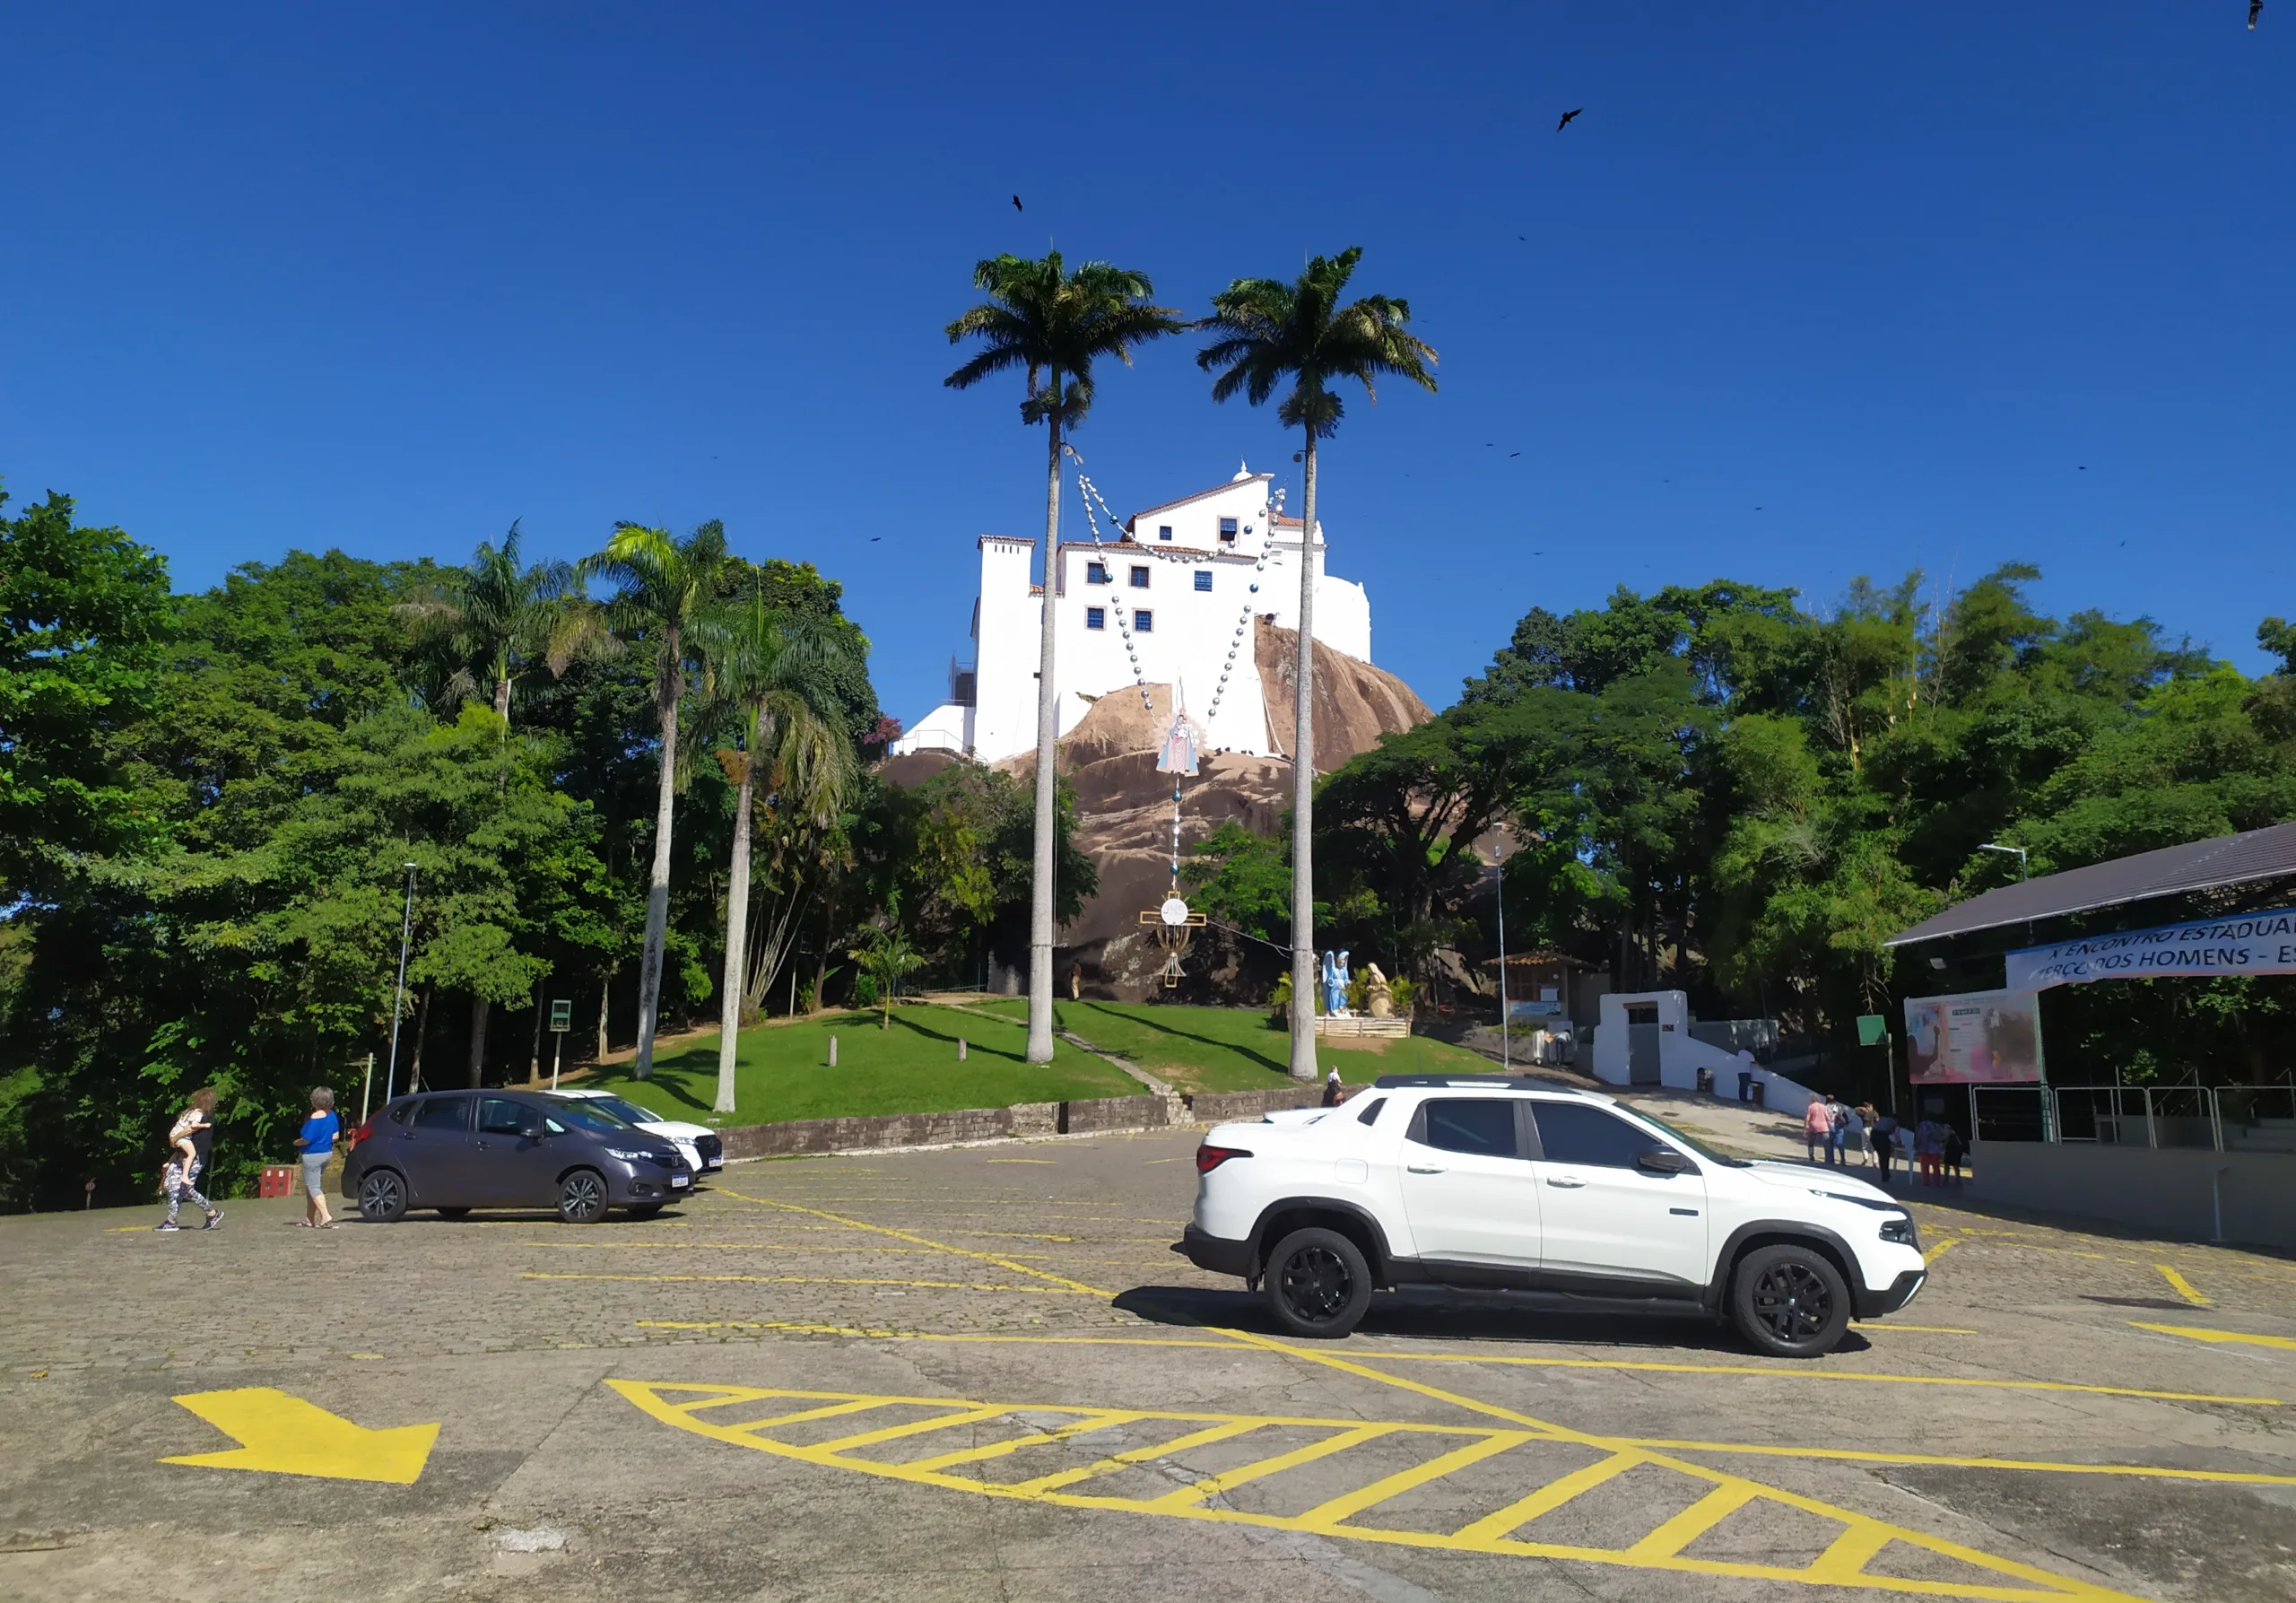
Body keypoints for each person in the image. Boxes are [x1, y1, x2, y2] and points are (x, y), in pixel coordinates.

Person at [157, 1088, 222, 1232]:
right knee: (174, 1185)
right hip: (187, 1155)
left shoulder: (201, 1116)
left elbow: (189, 1132)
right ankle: (172, 1220)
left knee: (185, 1189)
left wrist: (174, 1138)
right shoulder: (203, 1115)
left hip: (195, 1157)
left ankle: (211, 1212)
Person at [295, 1086, 341, 1227]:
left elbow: (307, 1138)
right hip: (326, 1154)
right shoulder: (332, 1116)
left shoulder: (315, 1118)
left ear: (315, 1100)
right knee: (312, 1186)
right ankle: (309, 1219)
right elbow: (335, 1136)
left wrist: (296, 1143)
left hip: (312, 1155)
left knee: (314, 1187)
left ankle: (326, 1216)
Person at [1802, 1093, 1832, 1163]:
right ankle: (1828, 1159)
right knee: (1826, 1144)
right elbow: (1827, 1117)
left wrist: (1805, 1128)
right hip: (1823, 1127)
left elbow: (1807, 1118)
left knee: (1811, 1143)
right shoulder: (1823, 1107)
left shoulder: (1810, 1107)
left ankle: (1811, 1157)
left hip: (1813, 1126)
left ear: (1812, 1099)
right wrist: (1829, 1124)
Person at [1916, 1116, 1944, 1187]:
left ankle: (1926, 1182)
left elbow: (1918, 1137)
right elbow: (1939, 1137)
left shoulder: (1920, 1126)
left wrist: (1916, 1145)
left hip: (1923, 1149)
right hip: (1934, 1149)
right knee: (1936, 1167)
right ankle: (1937, 1182)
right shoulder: (1936, 1126)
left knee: (1925, 1167)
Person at [1838, 1101, 1867, 1171]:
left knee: (1864, 1145)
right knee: (1873, 1147)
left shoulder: (1862, 1113)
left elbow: (1856, 1109)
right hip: (1872, 1129)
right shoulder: (1873, 1113)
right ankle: (1875, 1161)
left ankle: (1866, 1158)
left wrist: (1862, 1108)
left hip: (1865, 1128)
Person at [1871, 1110, 1899, 1182]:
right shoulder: (1893, 1122)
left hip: (1873, 1135)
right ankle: (1885, 1175)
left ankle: (1884, 1173)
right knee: (1885, 1156)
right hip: (1882, 1135)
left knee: (1881, 1155)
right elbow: (1894, 1134)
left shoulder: (1883, 1119)